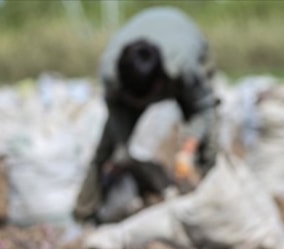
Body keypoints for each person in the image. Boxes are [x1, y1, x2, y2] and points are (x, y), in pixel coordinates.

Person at [74, 6, 220, 223]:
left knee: (208, 142)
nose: (139, 105)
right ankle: (84, 213)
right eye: (134, 101)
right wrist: (123, 152)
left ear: (160, 84)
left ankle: (212, 205)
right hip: (137, 77)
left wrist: (188, 148)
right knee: (109, 149)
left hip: (184, 36)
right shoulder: (110, 74)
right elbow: (116, 117)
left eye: (142, 100)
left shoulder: (184, 66)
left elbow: (203, 108)